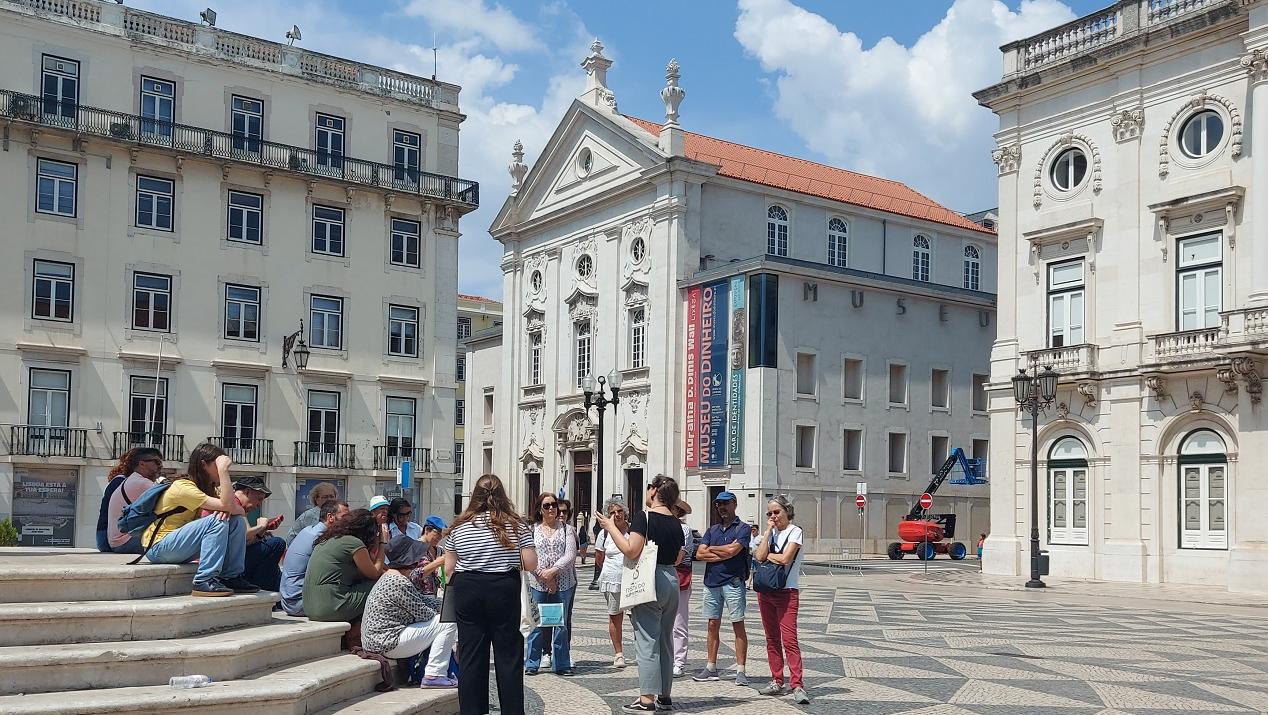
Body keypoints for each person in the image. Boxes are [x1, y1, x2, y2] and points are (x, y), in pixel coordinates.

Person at [443, 474, 537, 715]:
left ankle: (472, 711)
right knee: (509, 655)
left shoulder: (460, 525)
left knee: (471, 654)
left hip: (468, 588)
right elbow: (530, 563)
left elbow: (448, 569)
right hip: (503, 587)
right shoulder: (516, 525)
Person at [596, 475, 685, 713]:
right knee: (666, 640)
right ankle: (665, 697)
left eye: (648, 487)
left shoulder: (644, 517)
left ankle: (646, 699)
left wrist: (611, 527)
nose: (646, 491)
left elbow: (630, 549)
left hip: (650, 579)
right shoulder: (676, 521)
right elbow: (679, 557)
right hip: (671, 580)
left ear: (655, 490)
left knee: (647, 641)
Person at [144, 443, 258, 597]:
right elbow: (229, 505)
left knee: (235, 521)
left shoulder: (205, 488)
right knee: (217, 520)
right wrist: (223, 471)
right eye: (217, 465)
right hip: (158, 547)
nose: (222, 468)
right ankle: (204, 580)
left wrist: (229, 509)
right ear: (204, 465)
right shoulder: (183, 487)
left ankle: (230, 577)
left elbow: (238, 510)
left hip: (178, 547)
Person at [362, 535, 460, 688]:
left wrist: (443, 603)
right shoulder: (399, 582)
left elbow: (422, 600)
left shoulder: (390, 577)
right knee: (448, 621)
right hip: (387, 643)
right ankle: (435, 674)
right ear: (410, 560)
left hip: (378, 640)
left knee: (443, 617)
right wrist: (448, 608)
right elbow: (424, 613)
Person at [754, 496, 809, 704]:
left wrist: (768, 554)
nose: (773, 517)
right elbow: (759, 556)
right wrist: (767, 532)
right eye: (769, 513)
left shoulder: (795, 531)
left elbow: (786, 559)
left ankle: (797, 684)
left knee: (790, 640)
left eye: (777, 512)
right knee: (771, 638)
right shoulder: (770, 533)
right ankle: (776, 680)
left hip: (787, 592)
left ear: (787, 511)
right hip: (766, 591)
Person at [693, 491, 751, 685]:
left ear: (734, 504)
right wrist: (723, 553)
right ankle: (710, 666)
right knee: (711, 625)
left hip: (733, 582)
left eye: (725, 504)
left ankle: (741, 670)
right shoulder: (712, 530)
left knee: (737, 624)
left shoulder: (743, 528)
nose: (722, 508)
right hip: (711, 582)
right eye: (718, 505)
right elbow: (699, 554)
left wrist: (712, 549)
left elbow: (734, 551)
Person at [304, 508, 389, 624]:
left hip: (310, 608)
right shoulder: (354, 543)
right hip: (332, 607)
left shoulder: (327, 540)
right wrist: (382, 542)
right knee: (385, 582)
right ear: (367, 531)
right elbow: (374, 573)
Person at [525, 492, 577, 676]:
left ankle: (562, 663)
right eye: (546, 505)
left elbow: (570, 555)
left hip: (564, 582)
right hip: (538, 583)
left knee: (561, 624)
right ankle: (532, 662)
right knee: (538, 623)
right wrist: (544, 575)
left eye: (553, 505)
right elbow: (528, 556)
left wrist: (553, 572)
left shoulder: (567, 529)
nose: (551, 509)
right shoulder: (532, 529)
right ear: (540, 509)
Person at [280, 500, 350, 616]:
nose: (348, 522)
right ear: (330, 517)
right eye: (344, 517)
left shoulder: (307, 531)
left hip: (288, 602)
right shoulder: (321, 539)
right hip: (300, 603)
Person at [227, 476, 285, 592]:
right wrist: (261, 526)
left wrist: (261, 532)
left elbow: (246, 541)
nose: (259, 504)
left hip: (232, 557)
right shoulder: (235, 504)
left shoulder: (238, 505)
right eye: (259, 499)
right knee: (277, 543)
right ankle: (264, 589)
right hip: (229, 561)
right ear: (247, 492)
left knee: (271, 548)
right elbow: (243, 536)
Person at [102, 447, 163, 554]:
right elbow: (170, 500)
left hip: (117, 541)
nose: (160, 466)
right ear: (142, 464)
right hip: (125, 542)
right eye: (157, 462)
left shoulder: (132, 479)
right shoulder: (142, 483)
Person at [593, 498, 630, 668]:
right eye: (612, 513)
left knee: (638, 616)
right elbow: (599, 558)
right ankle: (619, 654)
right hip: (612, 578)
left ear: (625, 513)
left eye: (619, 511)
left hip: (632, 579)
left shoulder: (633, 531)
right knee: (615, 617)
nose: (616, 515)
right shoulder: (604, 534)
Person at [671, 499, 694, 678]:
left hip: (679, 576)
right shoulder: (658, 526)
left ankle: (679, 662)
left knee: (679, 621)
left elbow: (680, 556)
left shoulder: (684, 529)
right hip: (662, 574)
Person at [409, 515, 448, 596]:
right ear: (427, 530)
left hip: (435, 596)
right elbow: (413, 576)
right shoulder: (415, 547)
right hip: (418, 596)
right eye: (437, 533)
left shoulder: (439, 550)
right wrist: (437, 563)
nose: (440, 537)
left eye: (442, 535)